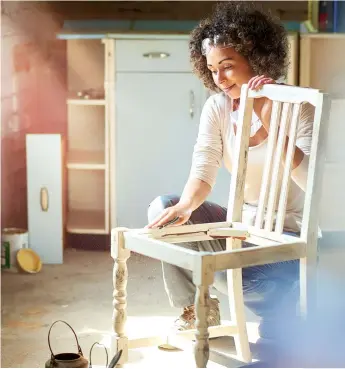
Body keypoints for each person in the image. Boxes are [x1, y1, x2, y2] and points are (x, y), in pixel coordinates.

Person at [147, 1, 314, 363]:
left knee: (281, 343)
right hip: (243, 232)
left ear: (257, 57)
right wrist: (185, 207)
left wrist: (270, 120)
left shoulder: (297, 106)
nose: (219, 78)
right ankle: (198, 311)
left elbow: (312, 182)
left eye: (227, 66)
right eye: (212, 69)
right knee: (163, 207)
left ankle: (284, 323)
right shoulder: (218, 107)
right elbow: (203, 170)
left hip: (286, 250)